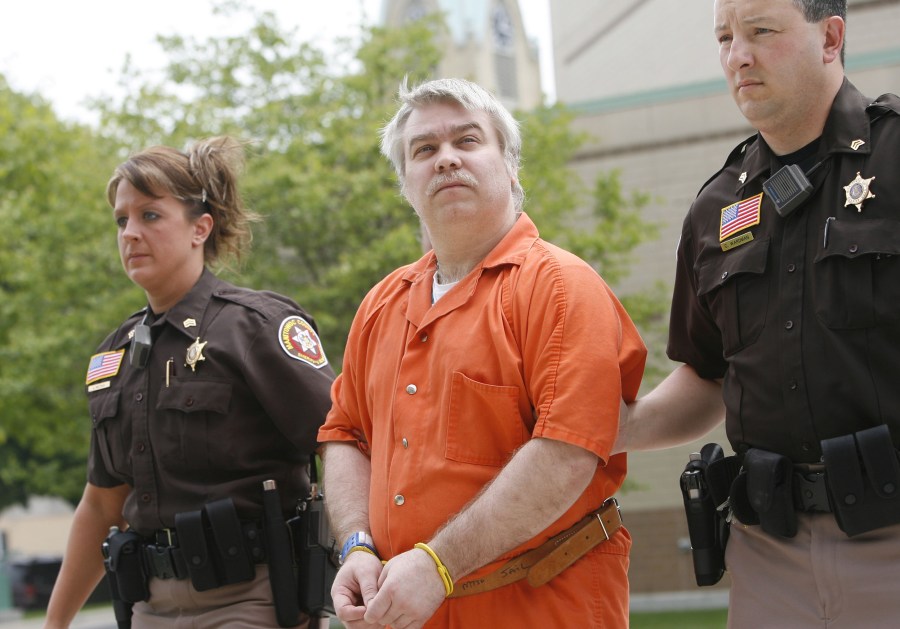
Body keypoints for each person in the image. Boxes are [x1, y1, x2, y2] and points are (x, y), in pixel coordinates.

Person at [317, 77, 647, 629]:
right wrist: (356, 545)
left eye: (467, 141)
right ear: (405, 183)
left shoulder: (561, 287)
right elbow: (345, 434)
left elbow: (566, 452)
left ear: (511, 167)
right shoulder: (380, 305)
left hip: (541, 609)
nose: (445, 160)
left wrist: (437, 567)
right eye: (424, 150)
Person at [617, 0, 900, 627]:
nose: (737, 55)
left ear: (830, 38)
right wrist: (614, 429)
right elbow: (707, 375)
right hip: (768, 555)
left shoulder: (895, 157)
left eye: (761, 31)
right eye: (724, 37)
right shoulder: (718, 209)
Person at [44, 137, 335, 628]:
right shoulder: (113, 356)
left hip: (256, 599)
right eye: (122, 220)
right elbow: (101, 503)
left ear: (201, 227)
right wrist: (54, 624)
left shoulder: (255, 327)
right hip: (150, 606)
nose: (130, 233)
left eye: (150, 216)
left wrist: (366, 556)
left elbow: (343, 442)